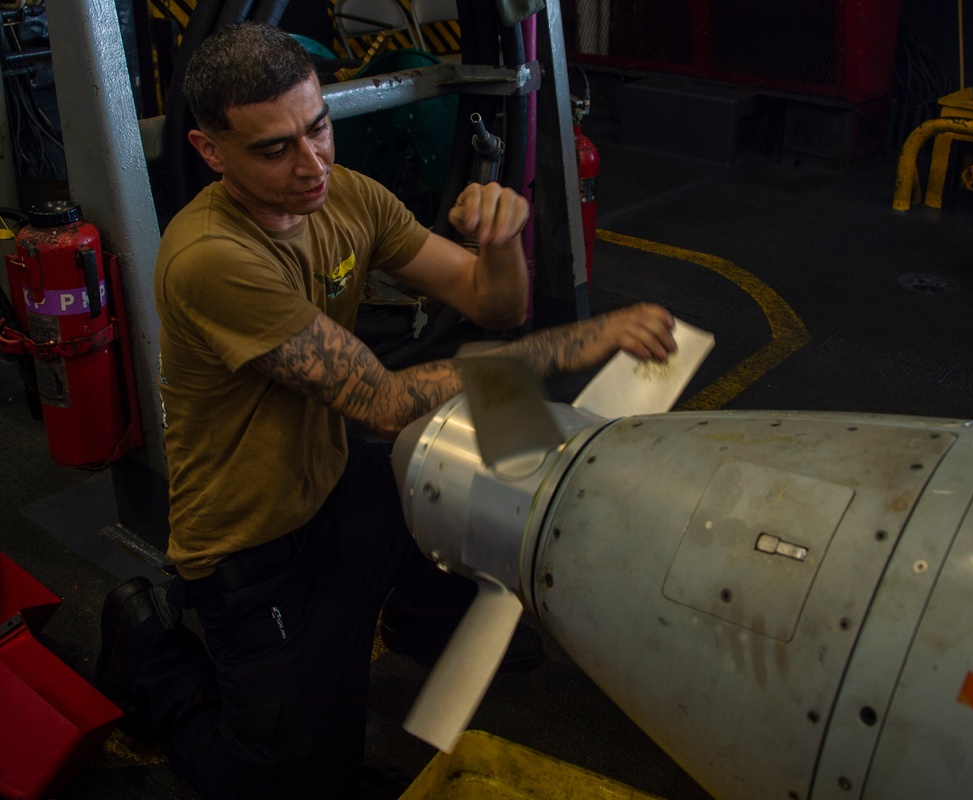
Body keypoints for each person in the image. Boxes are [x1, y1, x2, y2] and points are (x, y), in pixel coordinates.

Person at [96, 21, 676, 800]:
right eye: (274, 149)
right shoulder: (213, 258)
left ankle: (426, 614)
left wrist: (502, 241)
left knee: (480, 471)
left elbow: (490, 303)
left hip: (335, 482)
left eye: (318, 128)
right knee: (296, 784)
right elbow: (383, 399)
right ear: (210, 152)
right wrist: (576, 344)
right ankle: (146, 647)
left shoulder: (346, 195)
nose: (311, 165)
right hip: (250, 545)